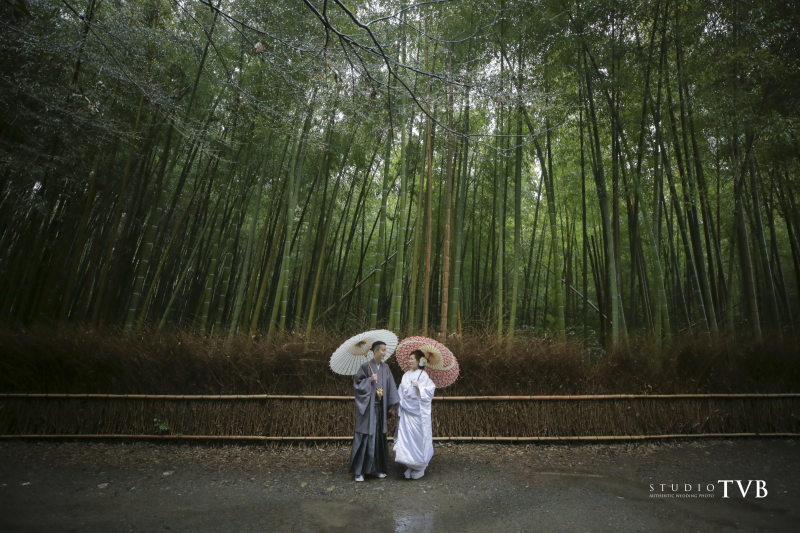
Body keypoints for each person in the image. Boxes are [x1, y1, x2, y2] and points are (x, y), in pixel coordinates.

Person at [349, 340, 399, 482]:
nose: (385, 352)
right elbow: (357, 385)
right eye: (383, 350)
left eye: (385, 350)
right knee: (365, 437)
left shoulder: (386, 368)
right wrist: (369, 380)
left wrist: (392, 405)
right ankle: (360, 471)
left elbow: (391, 387)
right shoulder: (365, 367)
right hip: (368, 409)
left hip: (380, 408)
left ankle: (376, 469)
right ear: (375, 351)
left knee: (378, 438)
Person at [393, 349, 436, 480]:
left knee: (418, 438)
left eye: (412, 359)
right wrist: (396, 405)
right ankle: (410, 464)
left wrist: (420, 388)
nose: (409, 361)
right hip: (406, 411)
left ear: (419, 361)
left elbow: (430, 391)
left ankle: (420, 466)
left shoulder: (423, 376)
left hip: (418, 414)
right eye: (409, 358)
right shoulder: (406, 375)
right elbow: (400, 390)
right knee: (407, 438)